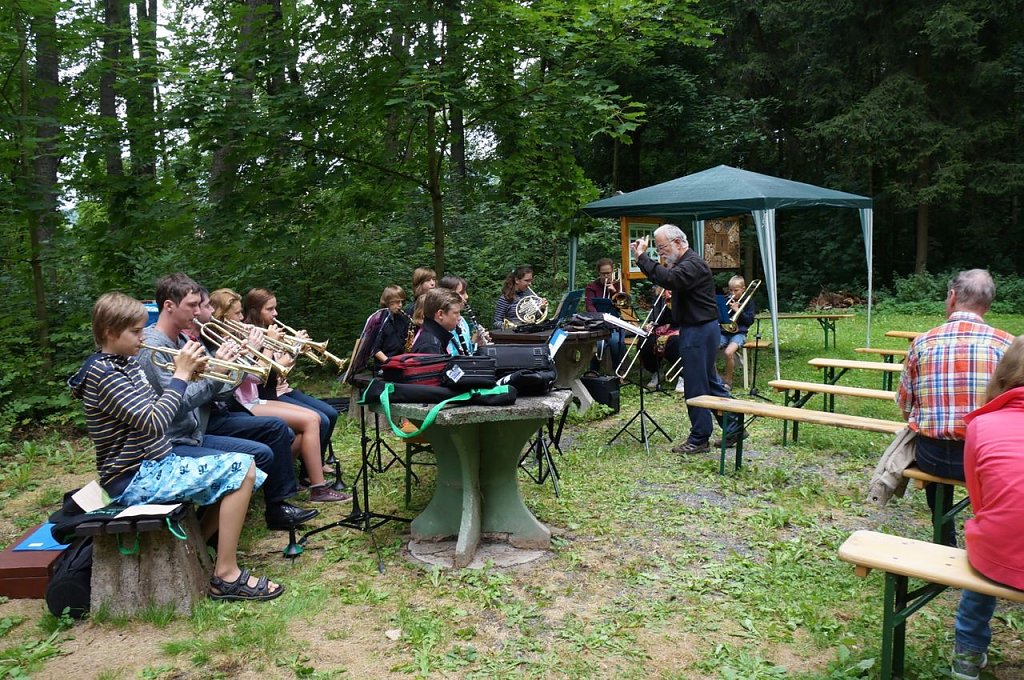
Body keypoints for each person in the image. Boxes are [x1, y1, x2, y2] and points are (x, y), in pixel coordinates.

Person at [70, 292, 283, 602]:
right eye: (136, 331)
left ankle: (201, 551)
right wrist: (181, 376)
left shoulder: (124, 364)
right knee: (242, 469)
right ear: (109, 332)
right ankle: (226, 575)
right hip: (132, 477)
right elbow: (156, 421)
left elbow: (157, 407)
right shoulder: (105, 374)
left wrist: (192, 376)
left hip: (154, 464)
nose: (143, 338)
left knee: (243, 470)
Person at [138, 274, 318, 531]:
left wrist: (235, 365)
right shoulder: (154, 348)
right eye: (192, 305)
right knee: (260, 451)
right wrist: (218, 373)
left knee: (273, 434)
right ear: (169, 306)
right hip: (176, 439)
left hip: (197, 430)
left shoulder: (183, 342)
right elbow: (179, 403)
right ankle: (210, 532)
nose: (198, 311)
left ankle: (274, 508)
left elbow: (219, 393)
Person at [896, 269, 1014, 546]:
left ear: (952, 297)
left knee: (936, 462)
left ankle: (944, 537)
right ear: (988, 304)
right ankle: (989, 535)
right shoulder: (1008, 345)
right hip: (987, 460)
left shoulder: (922, 342)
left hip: (932, 456)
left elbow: (905, 408)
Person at [209, 288, 348, 502]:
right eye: (237, 313)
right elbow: (257, 377)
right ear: (223, 316)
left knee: (313, 422)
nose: (242, 317)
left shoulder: (238, 336)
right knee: (312, 419)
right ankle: (318, 488)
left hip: (255, 399)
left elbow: (272, 371)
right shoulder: (222, 342)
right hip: (244, 404)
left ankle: (288, 477)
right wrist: (261, 348)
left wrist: (290, 348)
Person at [947, 336, 1024, 680]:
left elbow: (979, 501)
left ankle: (967, 652)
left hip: (995, 553)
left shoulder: (981, 424)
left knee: (988, 540)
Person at [631, 224, 740, 454]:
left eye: (662, 247)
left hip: (698, 330)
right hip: (699, 328)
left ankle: (699, 438)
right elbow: (668, 278)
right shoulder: (687, 263)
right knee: (709, 381)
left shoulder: (692, 264)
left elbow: (670, 279)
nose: (660, 253)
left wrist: (642, 257)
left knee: (695, 385)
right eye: (658, 248)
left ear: (679, 242)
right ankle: (734, 427)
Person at [243, 287, 339, 461]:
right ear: (255, 311)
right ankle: (308, 469)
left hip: (283, 388)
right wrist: (289, 350)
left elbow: (284, 370)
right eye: (270, 309)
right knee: (322, 420)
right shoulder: (251, 337)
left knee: (331, 414)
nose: (275, 313)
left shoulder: (272, 330)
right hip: (269, 393)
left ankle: (318, 460)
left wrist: (296, 350)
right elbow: (263, 375)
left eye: (275, 308)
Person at [583, 258, 626, 370]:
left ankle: (618, 370)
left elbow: (624, 306)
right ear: (599, 273)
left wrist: (614, 292)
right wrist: (600, 317)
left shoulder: (618, 285)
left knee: (616, 342)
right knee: (597, 344)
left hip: (615, 324)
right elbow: (589, 306)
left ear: (612, 272)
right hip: (598, 323)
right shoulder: (591, 287)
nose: (606, 276)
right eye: (603, 274)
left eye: (608, 273)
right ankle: (594, 372)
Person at [719, 275, 755, 390]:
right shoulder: (725, 300)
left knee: (728, 352)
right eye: (730, 290)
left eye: (736, 290)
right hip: (723, 332)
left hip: (739, 334)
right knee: (708, 348)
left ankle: (728, 380)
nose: (732, 293)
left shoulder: (748, 301)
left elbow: (749, 321)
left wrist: (738, 310)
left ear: (743, 289)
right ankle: (715, 379)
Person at [438, 275, 490, 355]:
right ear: (448, 295)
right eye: (462, 293)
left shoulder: (462, 321)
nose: (466, 296)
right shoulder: (444, 322)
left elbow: (467, 354)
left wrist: (475, 343)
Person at [411, 288, 463, 354]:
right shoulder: (431, 346)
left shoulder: (433, 338)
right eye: (456, 313)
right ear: (440, 314)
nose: (459, 318)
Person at [371, 285, 411, 364]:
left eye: (401, 302)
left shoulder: (402, 318)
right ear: (388, 302)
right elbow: (374, 349)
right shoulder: (379, 321)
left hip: (400, 362)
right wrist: (389, 362)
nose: (400, 305)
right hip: (384, 365)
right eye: (397, 302)